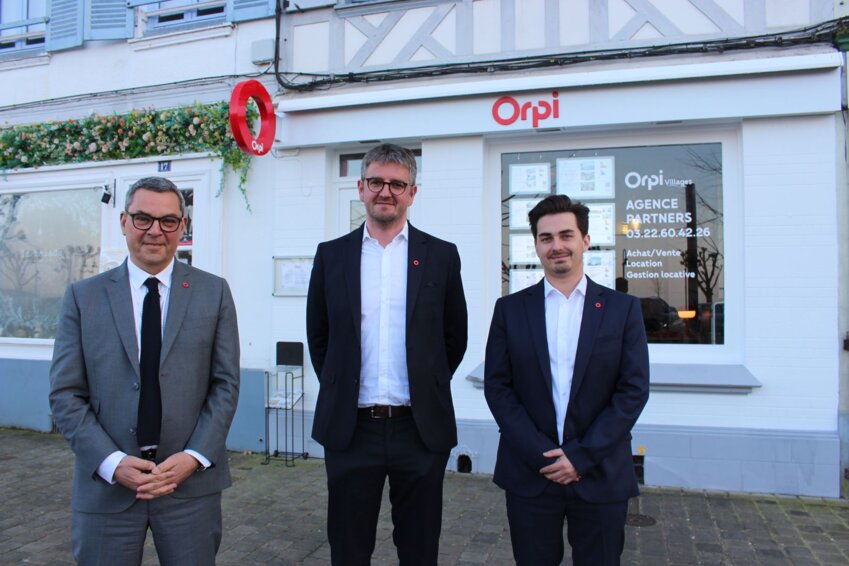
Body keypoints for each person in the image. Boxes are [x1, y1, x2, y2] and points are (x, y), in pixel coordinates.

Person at [49, 177, 240, 565]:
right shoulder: (83, 298)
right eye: (142, 219)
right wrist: (111, 462)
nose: (155, 230)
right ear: (123, 221)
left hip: (189, 486)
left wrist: (195, 456)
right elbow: (65, 394)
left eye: (168, 221)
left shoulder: (213, 292)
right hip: (107, 489)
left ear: (182, 227)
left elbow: (225, 385)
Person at [306, 143, 468, 565]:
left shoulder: (441, 256)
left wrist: (425, 383)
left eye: (397, 184)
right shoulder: (331, 256)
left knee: (419, 548)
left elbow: (454, 338)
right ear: (361, 188)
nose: (386, 192)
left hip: (419, 429)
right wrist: (342, 388)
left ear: (412, 193)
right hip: (351, 428)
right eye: (376, 181)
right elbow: (319, 337)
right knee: (348, 547)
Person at [484, 195, 649, 566]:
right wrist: (542, 454)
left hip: (601, 473)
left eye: (566, 235)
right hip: (530, 473)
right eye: (546, 238)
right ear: (537, 245)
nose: (556, 246)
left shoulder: (622, 310)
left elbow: (633, 389)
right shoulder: (510, 310)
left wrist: (580, 456)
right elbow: (498, 386)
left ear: (585, 240)